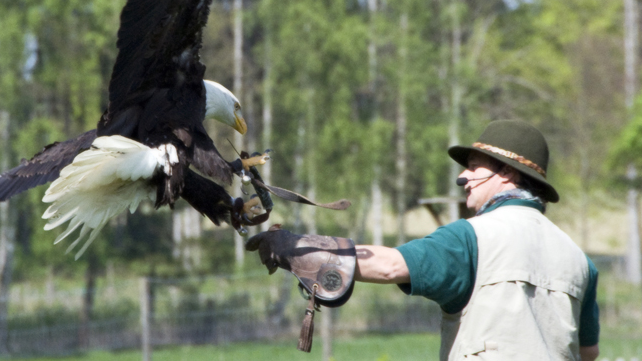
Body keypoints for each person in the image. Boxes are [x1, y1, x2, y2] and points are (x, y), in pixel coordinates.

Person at [247, 120, 600, 361]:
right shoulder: (580, 261)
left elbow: (390, 266)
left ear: (507, 173)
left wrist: (296, 248)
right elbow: (588, 353)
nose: (463, 177)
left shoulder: (472, 237)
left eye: (474, 166)